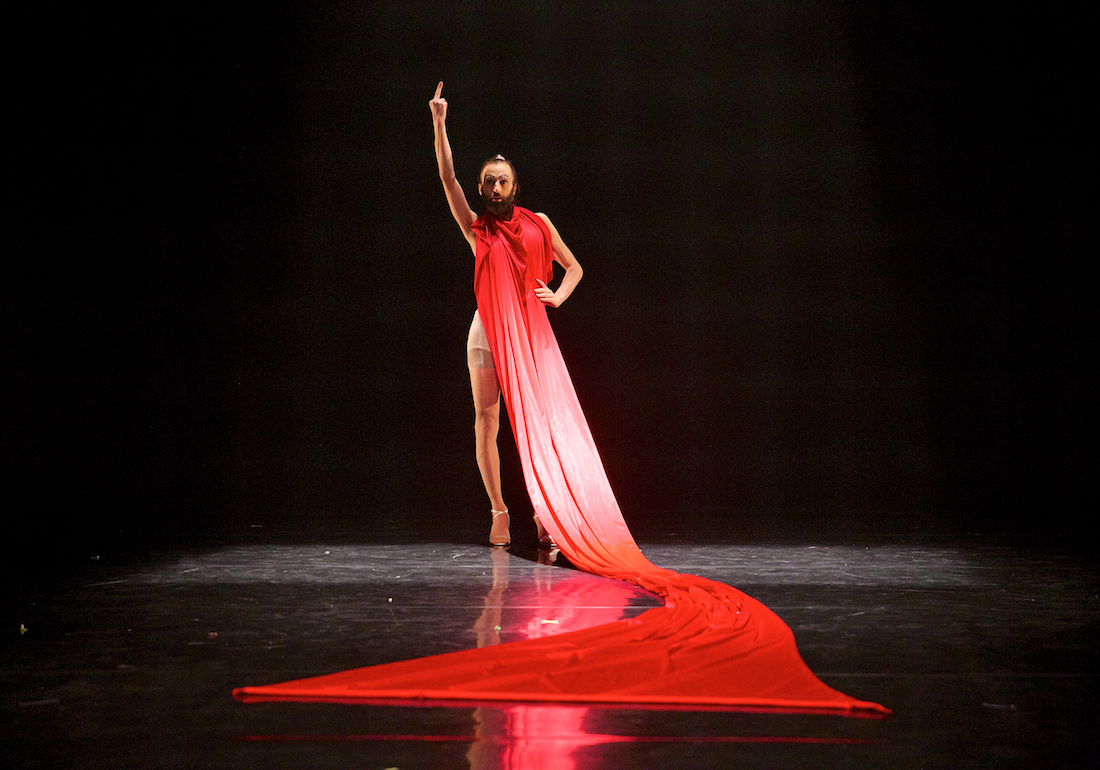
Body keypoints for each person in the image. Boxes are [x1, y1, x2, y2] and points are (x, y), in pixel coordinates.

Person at [429, 81, 583, 547]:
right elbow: (446, 180)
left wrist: (558, 295)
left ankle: (544, 510)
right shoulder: (478, 231)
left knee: (534, 427)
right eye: (489, 181)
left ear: (515, 186)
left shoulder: (539, 224)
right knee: (487, 420)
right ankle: (499, 510)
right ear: (481, 188)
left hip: (529, 338)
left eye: (503, 180)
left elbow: (575, 267)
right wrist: (439, 123)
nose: (495, 187)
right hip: (487, 335)